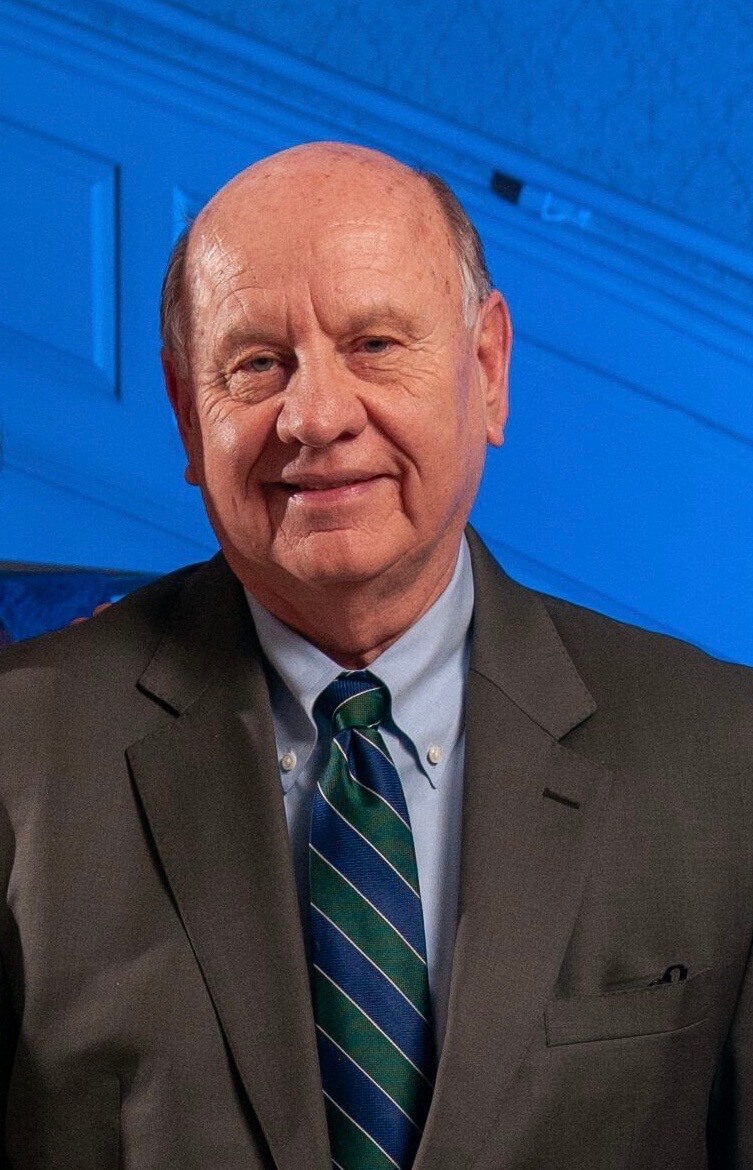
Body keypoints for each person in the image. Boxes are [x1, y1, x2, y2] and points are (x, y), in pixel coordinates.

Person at [0, 142, 751, 1170]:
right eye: (257, 363)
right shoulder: (19, 754)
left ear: (488, 370)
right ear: (185, 412)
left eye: (374, 344)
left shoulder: (724, 756)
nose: (316, 417)